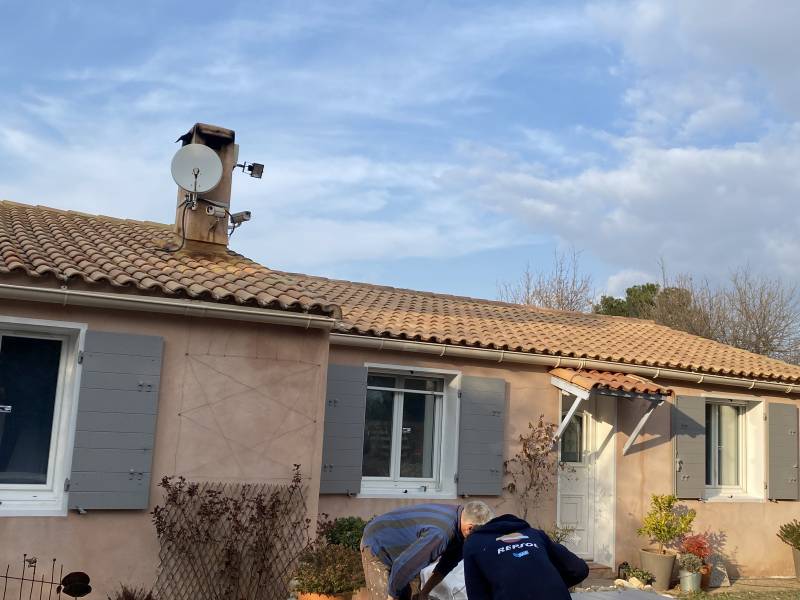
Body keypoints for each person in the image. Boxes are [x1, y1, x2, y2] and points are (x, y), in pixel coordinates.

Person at [360, 501, 494, 600]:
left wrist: (424, 592)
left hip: (408, 553)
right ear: (470, 528)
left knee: (416, 596)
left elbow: (444, 567)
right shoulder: (440, 534)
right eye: (480, 536)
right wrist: (391, 596)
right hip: (378, 544)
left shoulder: (462, 528)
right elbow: (403, 566)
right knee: (389, 595)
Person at [463, 513, 589, 600]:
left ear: (471, 528)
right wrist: (543, 585)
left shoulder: (473, 544)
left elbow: (477, 595)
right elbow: (579, 569)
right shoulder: (534, 534)